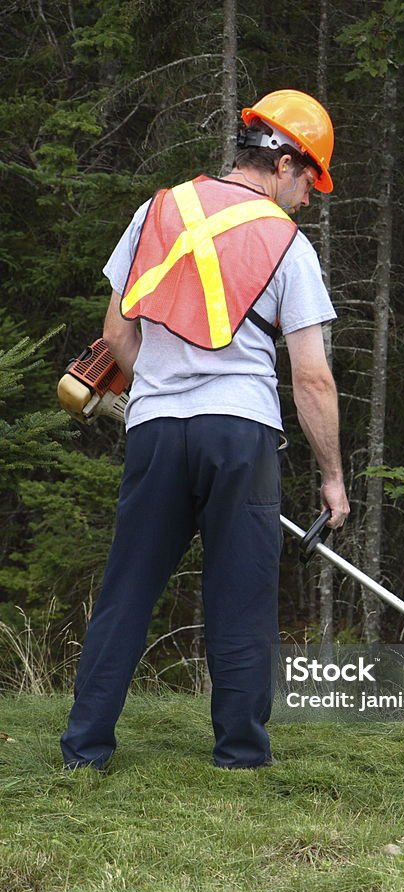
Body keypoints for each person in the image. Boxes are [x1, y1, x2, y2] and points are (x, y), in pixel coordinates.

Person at [60, 89, 350, 771]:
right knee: (240, 598)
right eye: (309, 180)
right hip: (240, 436)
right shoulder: (286, 243)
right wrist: (333, 478)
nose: (307, 199)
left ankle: (84, 751)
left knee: (127, 590)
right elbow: (310, 377)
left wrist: (155, 394)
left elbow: (114, 332)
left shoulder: (157, 210)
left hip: (157, 431)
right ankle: (241, 755)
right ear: (285, 163)